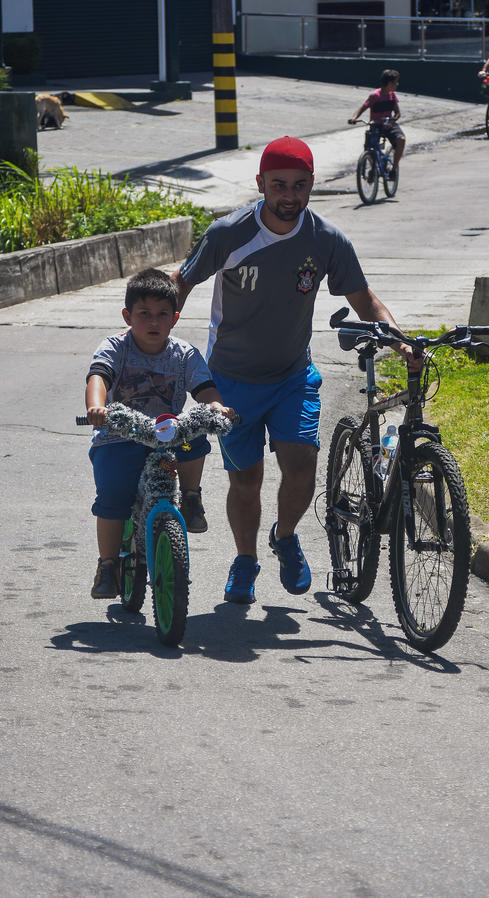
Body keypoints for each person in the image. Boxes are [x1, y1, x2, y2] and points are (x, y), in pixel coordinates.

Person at [170, 135, 418, 605]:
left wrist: (400, 339)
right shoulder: (228, 233)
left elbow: (363, 300)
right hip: (230, 381)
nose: (289, 196)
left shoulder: (326, 240)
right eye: (279, 185)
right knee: (246, 480)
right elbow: (180, 284)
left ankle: (285, 537)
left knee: (302, 464)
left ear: (311, 186)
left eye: (299, 186)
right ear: (260, 183)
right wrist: (157, 338)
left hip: (291, 376)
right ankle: (245, 559)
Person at [85, 268, 234, 599]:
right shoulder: (115, 348)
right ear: (128, 315)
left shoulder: (184, 354)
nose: (153, 322)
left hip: (166, 434)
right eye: (144, 314)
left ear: (175, 318)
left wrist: (217, 407)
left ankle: (191, 497)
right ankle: (108, 565)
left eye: (162, 314)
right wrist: (98, 408)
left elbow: (205, 389)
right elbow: (98, 377)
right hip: (120, 436)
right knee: (113, 499)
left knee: (195, 431)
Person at [348, 69, 406, 172]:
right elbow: (362, 108)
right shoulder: (375, 96)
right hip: (376, 126)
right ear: (389, 83)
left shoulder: (392, 96)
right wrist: (354, 118)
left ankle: (393, 168)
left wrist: (391, 122)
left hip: (389, 125)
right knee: (369, 148)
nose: (397, 84)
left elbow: (397, 113)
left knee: (401, 140)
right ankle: (374, 167)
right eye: (395, 82)